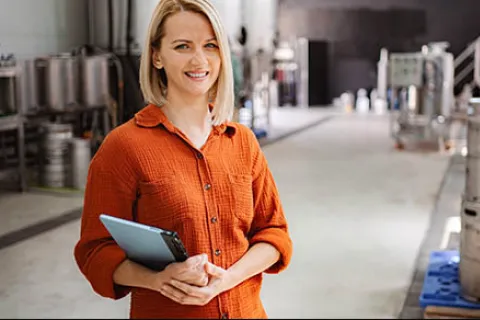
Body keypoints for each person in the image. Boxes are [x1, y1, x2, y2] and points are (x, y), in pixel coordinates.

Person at [73, 0, 293, 319]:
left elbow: (274, 234)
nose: (199, 59)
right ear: (157, 56)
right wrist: (158, 279)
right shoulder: (123, 147)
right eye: (182, 46)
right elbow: (95, 252)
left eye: (210, 46)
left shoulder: (243, 143)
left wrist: (226, 280)